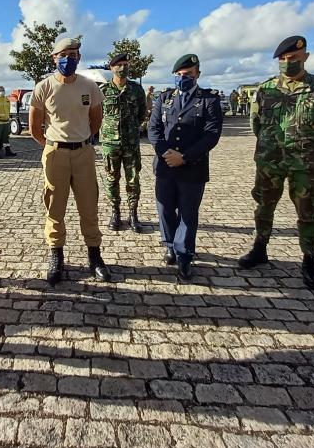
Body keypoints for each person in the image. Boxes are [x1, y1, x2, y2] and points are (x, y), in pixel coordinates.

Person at [238, 35, 314, 289]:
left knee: (307, 211)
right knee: (263, 207)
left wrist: (305, 146)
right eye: (282, 59)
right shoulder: (266, 89)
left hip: (304, 163)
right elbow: (256, 123)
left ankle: (310, 260)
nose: (287, 62)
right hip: (269, 161)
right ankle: (260, 248)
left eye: (292, 58)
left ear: (305, 56)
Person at [29, 36, 110, 284]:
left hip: (84, 153)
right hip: (55, 154)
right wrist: (52, 145)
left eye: (74, 54)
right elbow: (34, 126)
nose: (69, 59)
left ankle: (94, 256)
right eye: (64, 55)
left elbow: (96, 119)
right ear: (54, 58)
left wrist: (82, 139)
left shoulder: (89, 86)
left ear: (79, 58)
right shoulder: (43, 87)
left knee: (89, 206)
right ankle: (56, 255)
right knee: (55, 207)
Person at [149, 54, 223, 281]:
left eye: (188, 75)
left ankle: (184, 256)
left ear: (197, 75)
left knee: (188, 213)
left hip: (192, 167)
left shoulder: (209, 100)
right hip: (165, 166)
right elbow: (154, 129)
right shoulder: (165, 98)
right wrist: (165, 153)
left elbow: (211, 134)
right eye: (179, 75)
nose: (183, 79)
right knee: (165, 209)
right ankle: (170, 244)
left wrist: (185, 157)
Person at [100, 53, 147, 232]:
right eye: (118, 65)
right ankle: (115, 213)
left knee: (133, 180)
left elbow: (142, 112)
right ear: (111, 68)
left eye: (125, 64)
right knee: (112, 179)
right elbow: (96, 114)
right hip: (110, 144)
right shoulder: (103, 91)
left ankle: (133, 214)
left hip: (131, 143)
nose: (122, 68)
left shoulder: (136, 89)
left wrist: (134, 127)